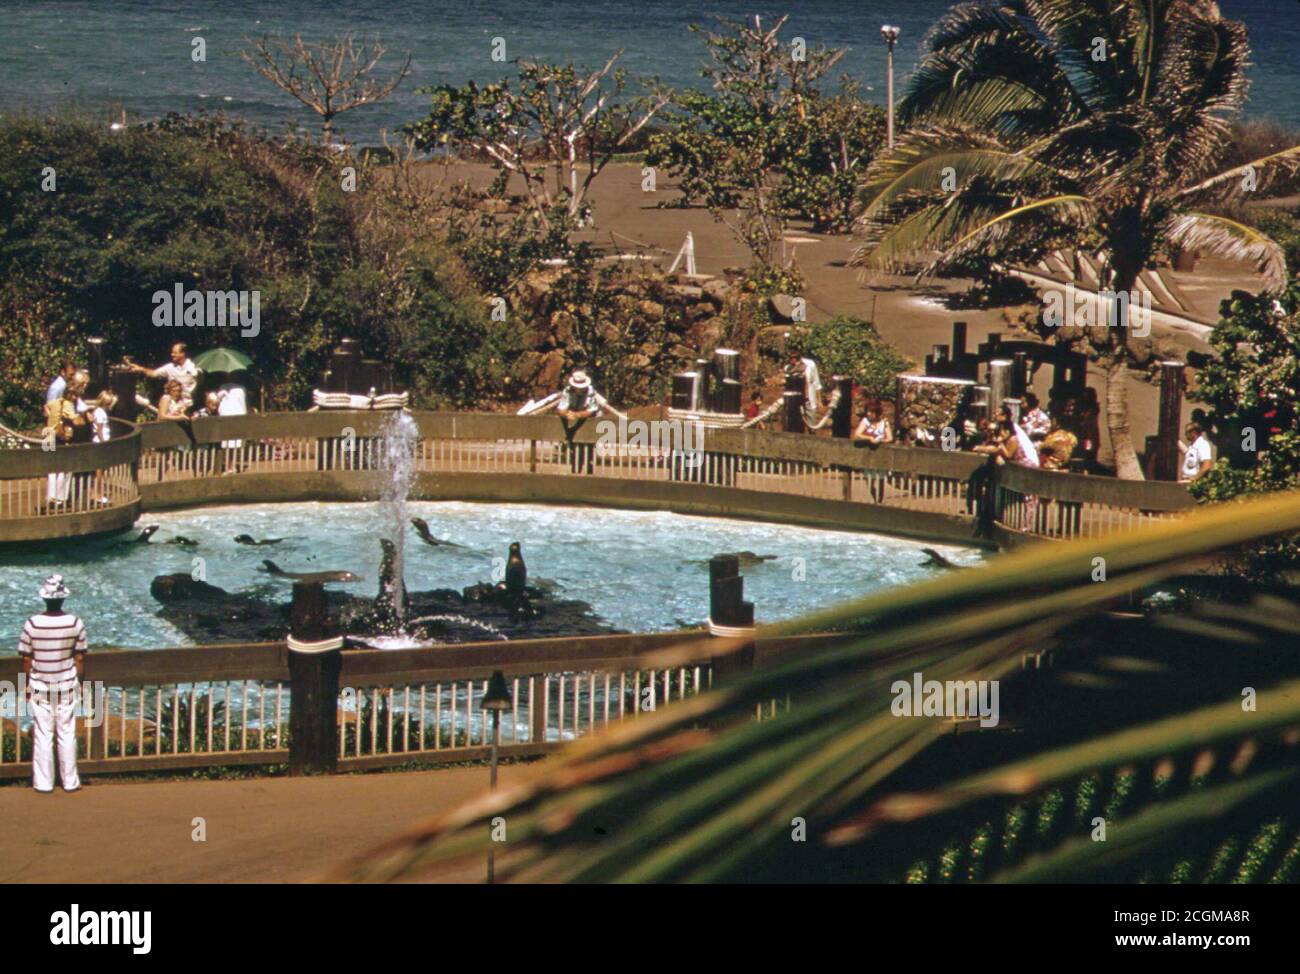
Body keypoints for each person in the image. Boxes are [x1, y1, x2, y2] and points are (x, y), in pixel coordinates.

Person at [17, 575, 87, 793]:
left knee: (43, 734)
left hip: (40, 684)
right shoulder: (75, 622)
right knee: (67, 732)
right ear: (63, 599)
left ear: (44, 599)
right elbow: (80, 657)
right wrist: (80, 684)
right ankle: (70, 781)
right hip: (66, 683)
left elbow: (27, 658)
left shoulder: (32, 623)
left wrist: (28, 684)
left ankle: (44, 783)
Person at [556, 371, 611, 474]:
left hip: (591, 419)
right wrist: (567, 414)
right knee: (574, 445)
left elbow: (591, 411)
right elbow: (561, 408)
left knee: (589, 445)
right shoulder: (567, 391)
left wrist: (577, 415)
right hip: (574, 417)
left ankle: (589, 470)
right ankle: (576, 470)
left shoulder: (591, 392)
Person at [128, 342, 200, 403]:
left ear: (182, 354)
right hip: (173, 405)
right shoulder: (169, 367)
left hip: (190, 404)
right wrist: (140, 369)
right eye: (172, 352)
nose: (172, 355)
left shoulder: (194, 367)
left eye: (175, 353)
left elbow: (201, 385)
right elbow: (154, 373)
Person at [853, 401, 894, 502]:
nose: (868, 414)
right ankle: (874, 497)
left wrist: (880, 441)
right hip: (868, 455)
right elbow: (857, 434)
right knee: (869, 479)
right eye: (868, 411)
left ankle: (879, 501)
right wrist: (870, 438)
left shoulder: (884, 422)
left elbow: (890, 438)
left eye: (871, 412)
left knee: (880, 479)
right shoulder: (865, 421)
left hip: (881, 455)